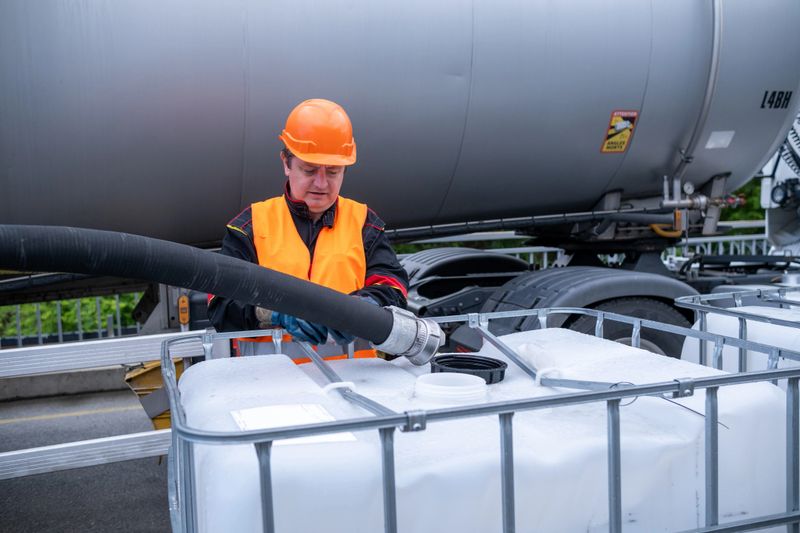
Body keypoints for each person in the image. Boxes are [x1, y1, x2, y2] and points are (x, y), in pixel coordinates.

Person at [208, 99, 409, 357]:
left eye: (333, 172)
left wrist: (359, 309)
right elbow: (220, 304)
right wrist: (276, 312)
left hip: (352, 386)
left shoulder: (363, 223)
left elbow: (393, 288)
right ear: (286, 163)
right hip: (268, 386)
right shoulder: (250, 226)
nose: (322, 183)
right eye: (309, 170)